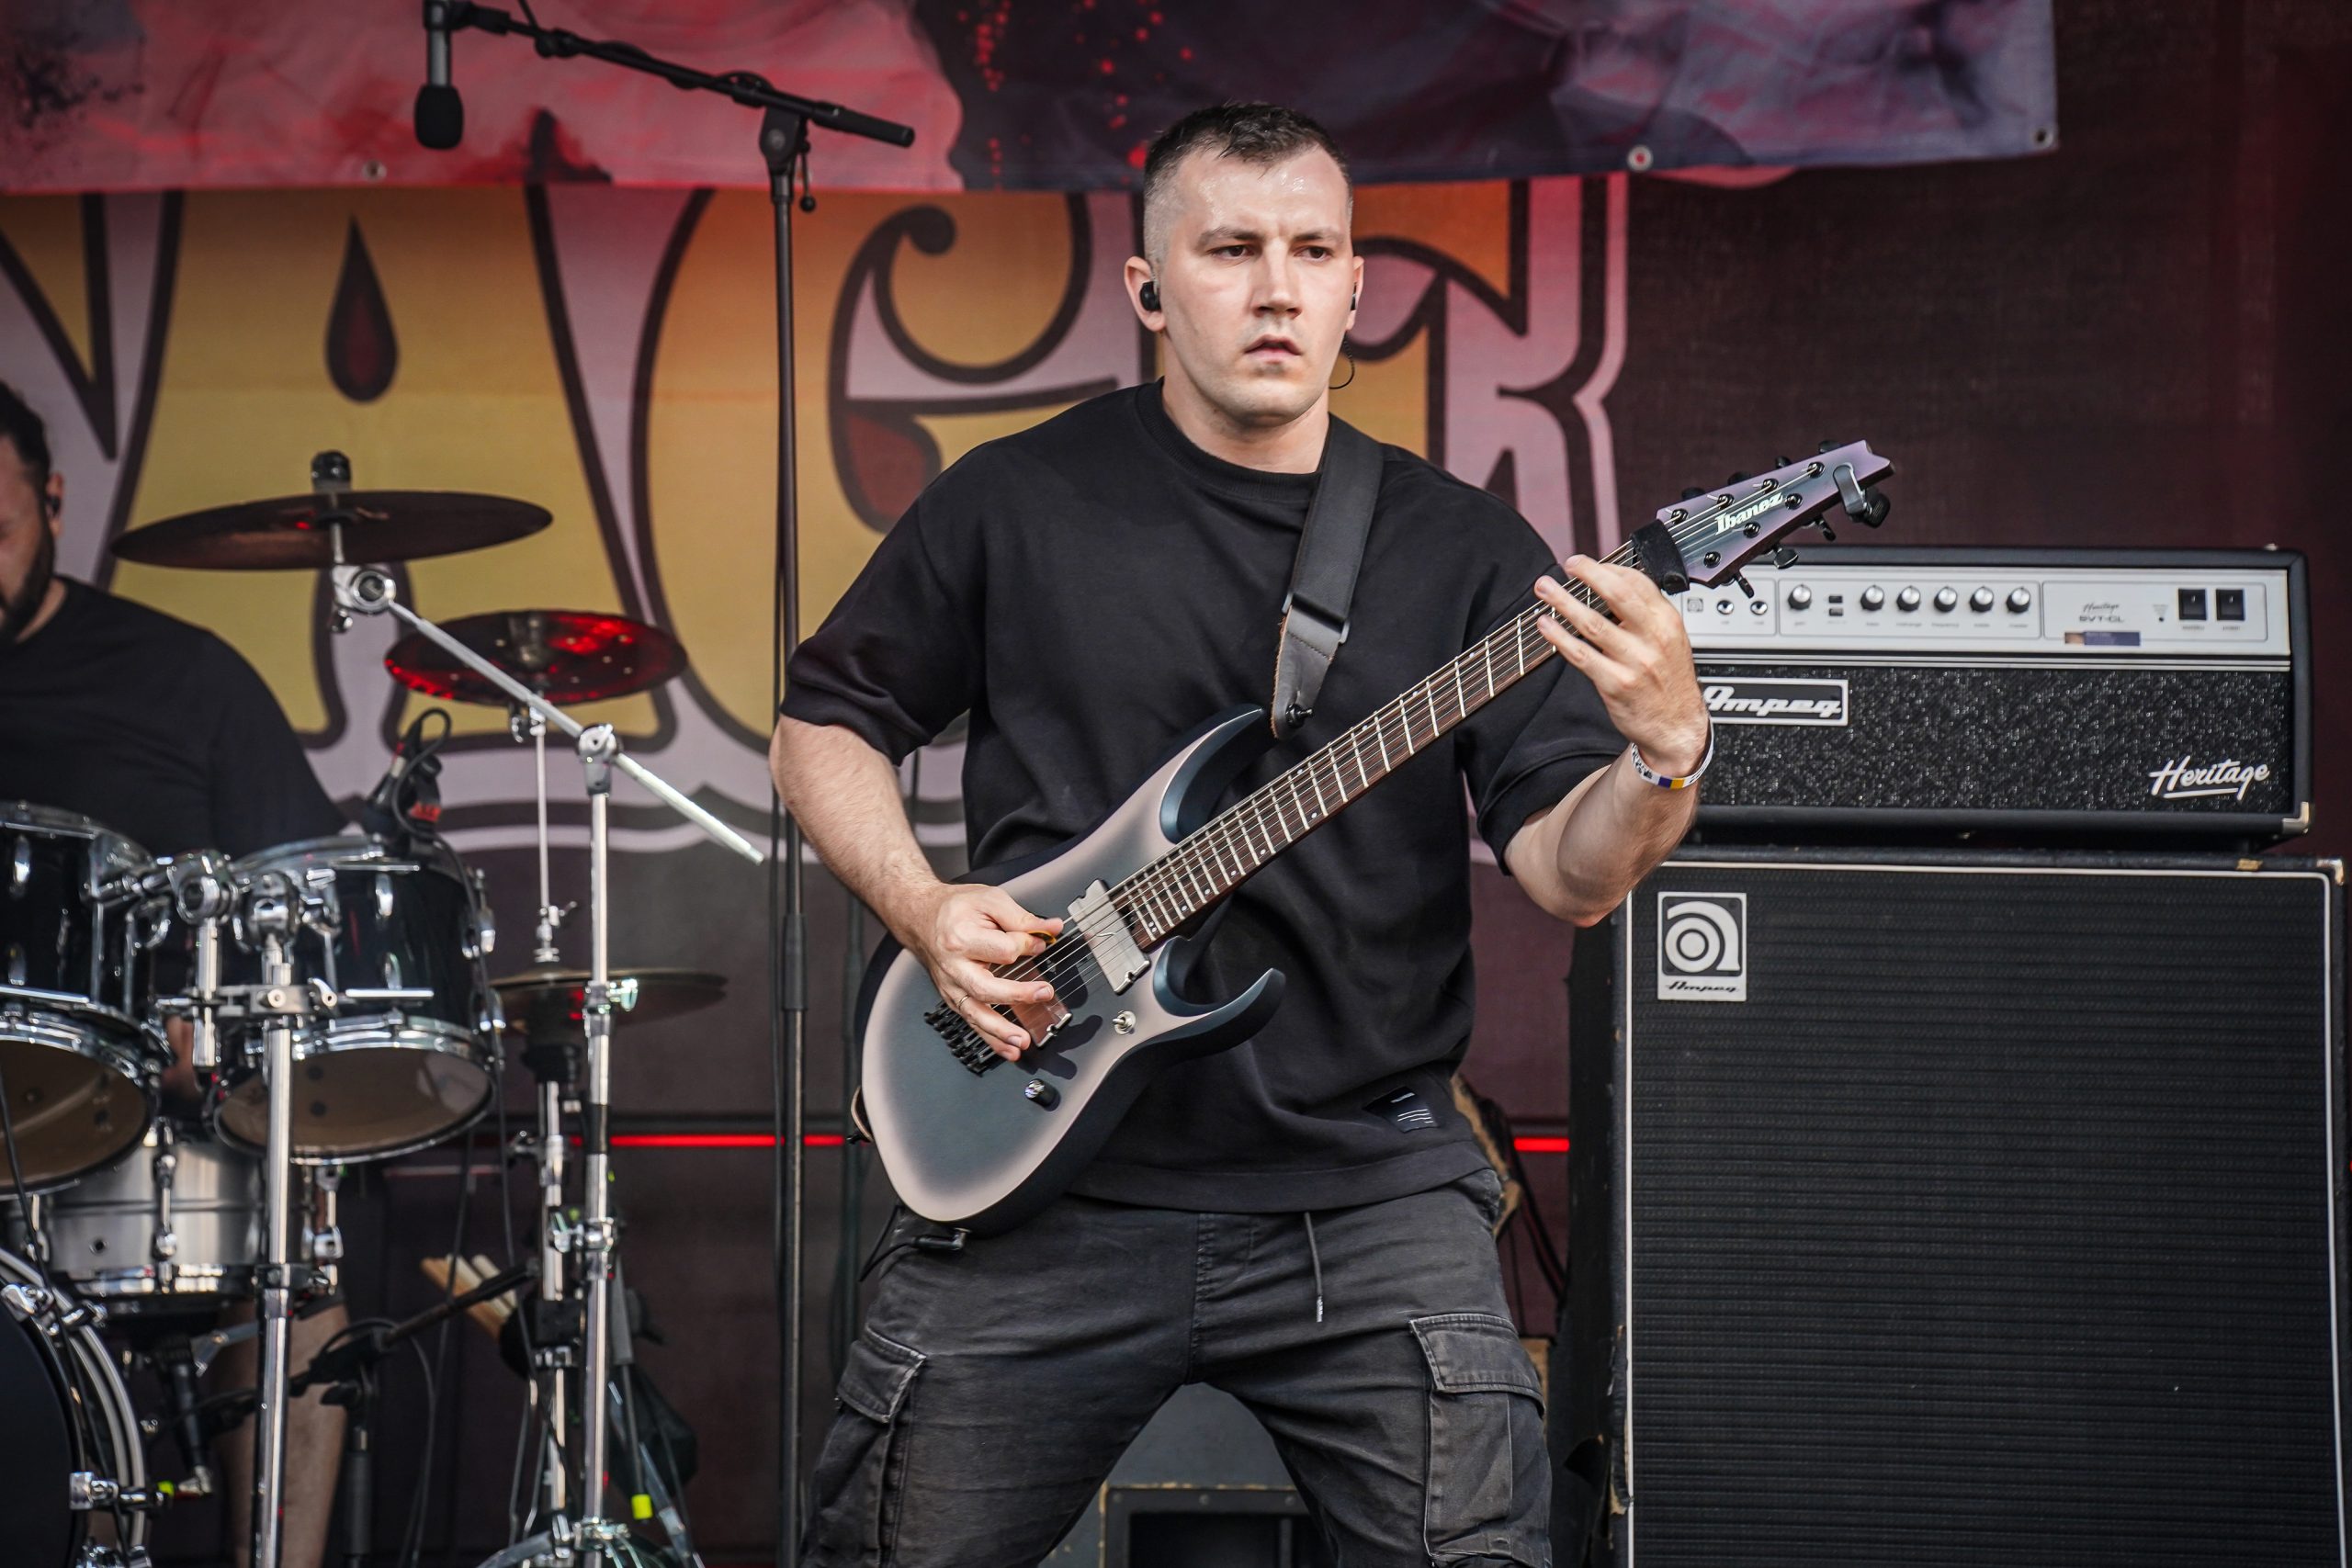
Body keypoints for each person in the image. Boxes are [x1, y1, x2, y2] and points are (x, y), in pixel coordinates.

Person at [772, 103, 1710, 1566]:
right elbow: (821, 728)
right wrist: (923, 907)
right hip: (1038, 1174)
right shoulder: (1016, 502)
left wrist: (1664, 754)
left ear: (1356, 287)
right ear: (1149, 289)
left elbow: (1568, 874)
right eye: (1230, 250)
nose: (1278, 288)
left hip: (1365, 1186)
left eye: (1313, 251)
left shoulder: (1465, 552)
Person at [0, 378, 352, 1568]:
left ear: (53, 503)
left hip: (137, 1102)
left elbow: (300, 904)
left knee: (296, 1274)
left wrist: (214, 1029)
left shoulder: (180, 679)